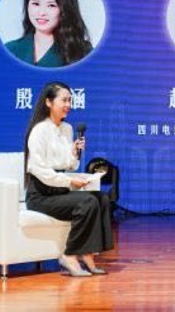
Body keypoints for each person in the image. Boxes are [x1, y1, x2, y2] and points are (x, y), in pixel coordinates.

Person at [23, 82, 113, 277]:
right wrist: (69, 182)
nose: (68, 105)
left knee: (102, 199)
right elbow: (38, 170)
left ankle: (88, 254)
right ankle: (69, 255)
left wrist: (74, 152)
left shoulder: (67, 129)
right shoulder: (39, 130)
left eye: (70, 101)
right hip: (41, 195)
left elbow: (70, 165)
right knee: (87, 202)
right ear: (49, 102)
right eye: (64, 100)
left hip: (59, 191)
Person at [6, 0, 93, 67]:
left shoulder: (84, 52)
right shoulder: (11, 49)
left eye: (51, 5)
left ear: (65, 10)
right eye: (36, 4)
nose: (41, 12)